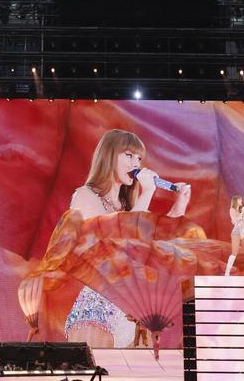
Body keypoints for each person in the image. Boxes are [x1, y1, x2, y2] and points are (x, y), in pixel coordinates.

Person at [62, 128, 191, 348]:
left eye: (139, 158)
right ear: (109, 155)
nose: (136, 163)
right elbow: (119, 238)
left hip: (130, 314)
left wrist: (177, 210)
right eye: (129, 155)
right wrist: (147, 192)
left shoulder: (130, 207)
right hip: (98, 311)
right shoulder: (85, 195)